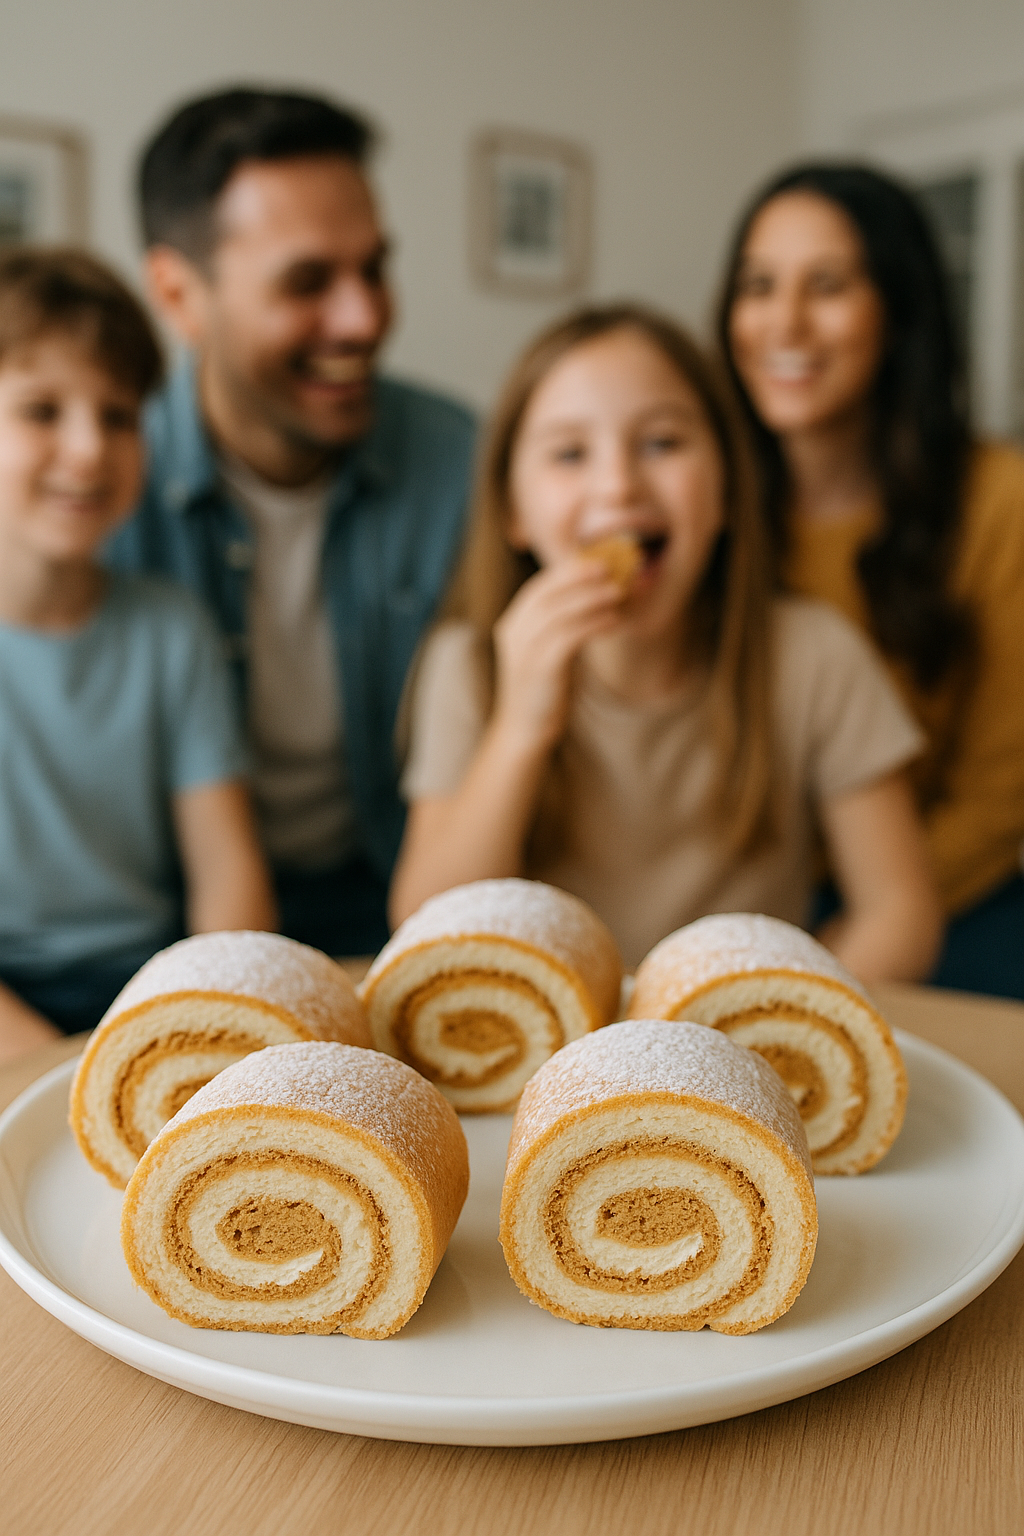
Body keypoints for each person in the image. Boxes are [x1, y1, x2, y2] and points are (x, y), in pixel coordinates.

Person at [389, 303, 942, 979]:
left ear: (730, 489)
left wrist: (805, 1012)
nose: (618, 484)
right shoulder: (470, 665)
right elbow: (429, 927)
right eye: (569, 453)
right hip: (545, 1050)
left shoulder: (815, 656)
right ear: (513, 511)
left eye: (662, 443)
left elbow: (900, 909)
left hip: (742, 1043)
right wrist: (519, 729)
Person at [109, 88, 476, 957]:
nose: (364, 319)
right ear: (178, 293)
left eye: (374, 269)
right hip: (174, 938)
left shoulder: (464, 464)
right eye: (307, 282)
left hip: (399, 911)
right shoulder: (98, 491)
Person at [718, 162, 1024, 998]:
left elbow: (1004, 795)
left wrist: (875, 911)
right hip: (752, 895)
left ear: (898, 312)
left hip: (951, 889)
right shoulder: (707, 498)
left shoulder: (1000, 501)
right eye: (759, 284)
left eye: (827, 286)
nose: (785, 323)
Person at [0, 249, 275, 1067]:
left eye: (119, 416)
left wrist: (219, 1024)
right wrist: (53, 1064)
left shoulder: (170, 629)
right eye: (43, 410)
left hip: (151, 983)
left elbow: (229, 881)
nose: (88, 449)